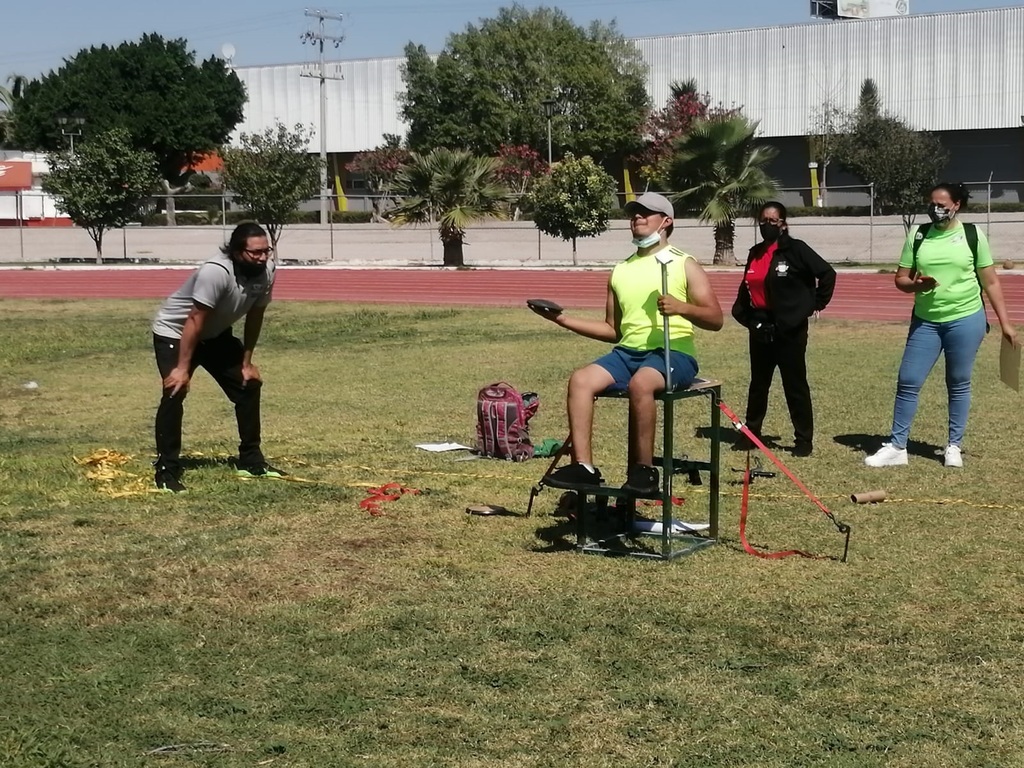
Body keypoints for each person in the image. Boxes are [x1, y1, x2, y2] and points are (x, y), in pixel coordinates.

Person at [530, 192, 724, 496]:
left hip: (673, 353)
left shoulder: (684, 264)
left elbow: (715, 319)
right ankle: (584, 468)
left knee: (641, 383)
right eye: (634, 212)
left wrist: (681, 308)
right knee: (581, 380)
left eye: (646, 212)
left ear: (666, 221)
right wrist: (561, 319)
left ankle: (644, 472)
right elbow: (613, 330)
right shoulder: (621, 270)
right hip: (627, 354)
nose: (637, 217)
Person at [865, 182, 1018, 468]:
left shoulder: (972, 234)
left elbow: (991, 282)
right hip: (926, 321)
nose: (935, 209)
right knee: (908, 380)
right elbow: (901, 279)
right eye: (932, 204)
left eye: (942, 205)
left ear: (956, 205)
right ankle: (897, 446)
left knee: (958, 382)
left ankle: (953, 446)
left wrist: (1006, 325)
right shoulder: (918, 234)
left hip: (966, 318)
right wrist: (917, 285)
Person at [150, 222, 285, 492]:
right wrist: (182, 369)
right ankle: (167, 470)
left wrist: (246, 362)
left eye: (266, 251)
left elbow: (255, 315)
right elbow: (194, 319)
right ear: (236, 252)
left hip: (215, 335)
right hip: (176, 332)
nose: (262, 258)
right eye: (254, 252)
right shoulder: (216, 271)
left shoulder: (267, 271)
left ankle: (251, 460)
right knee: (175, 390)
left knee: (248, 385)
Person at [731, 201, 836, 456]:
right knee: (759, 384)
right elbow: (747, 288)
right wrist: (750, 320)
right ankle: (752, 433)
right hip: (761, 326)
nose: (767, 225)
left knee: (795, 385)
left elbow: (827, 274)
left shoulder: (796, 249)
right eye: (763, 221)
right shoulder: (755, 252)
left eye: (773, 221)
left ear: (783, 224)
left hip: (789, 329)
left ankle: (803, 440)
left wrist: (813, 305)